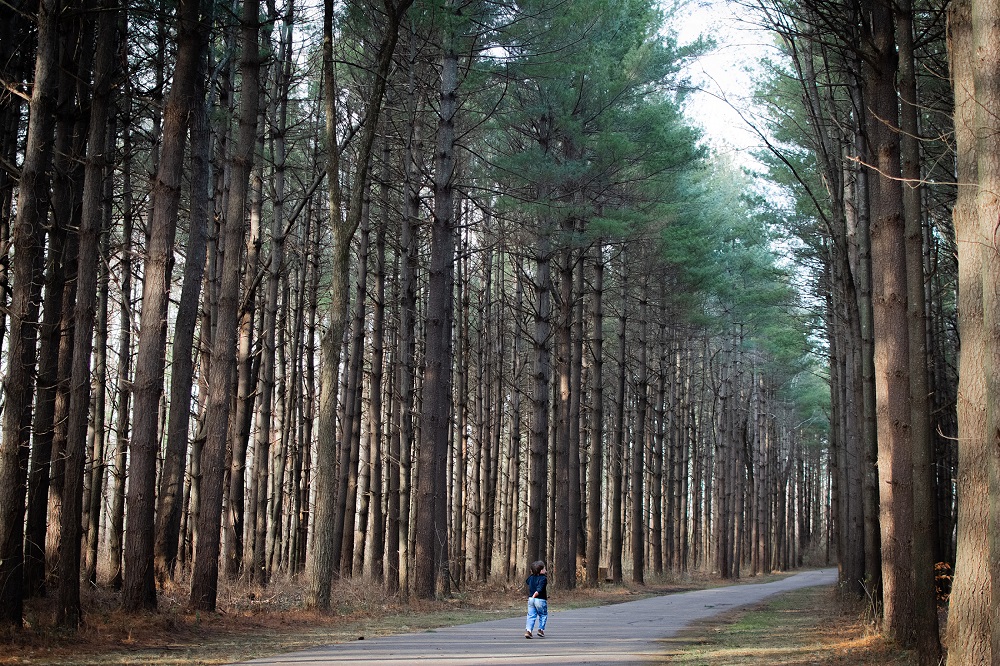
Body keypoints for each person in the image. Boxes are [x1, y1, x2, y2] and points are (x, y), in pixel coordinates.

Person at [524, 560, 548, 638]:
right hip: (540, 599)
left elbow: (527, 581)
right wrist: (537, 592)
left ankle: (528, 631)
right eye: (544, 569)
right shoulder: (543, 578)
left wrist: (532, 575)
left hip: (531, 599)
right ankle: (540, 630)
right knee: (543, 614)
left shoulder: (531, 577)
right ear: (541, 571)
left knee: (531, 615)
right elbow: (540, 587)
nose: (545, 570)